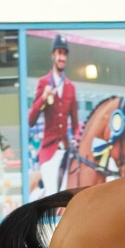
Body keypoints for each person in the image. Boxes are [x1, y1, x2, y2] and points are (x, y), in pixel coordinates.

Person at [27, 34, 78, 195]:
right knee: (52, 192)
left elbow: (76, 124)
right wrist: (43, 98)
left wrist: (76, 138)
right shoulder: (43, 83)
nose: (62, 57)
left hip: (67, 151)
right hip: (49, 151)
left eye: (64, 54)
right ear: (53, 55)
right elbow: (31, 120)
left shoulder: (70, 87)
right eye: (59, 53)